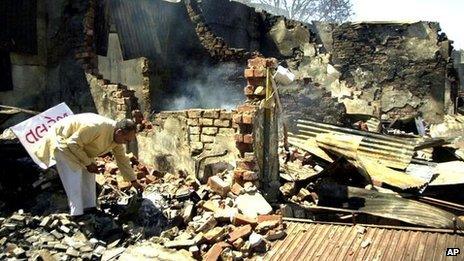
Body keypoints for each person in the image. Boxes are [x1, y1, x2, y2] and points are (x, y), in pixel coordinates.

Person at [35, 113, 143, 217]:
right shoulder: (97, 127)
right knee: (74, 175)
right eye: (126, 140)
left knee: (89, 175)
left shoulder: (117, 138)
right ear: (119, 132)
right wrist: (88, 164)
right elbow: (72, 143)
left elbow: (122, 159)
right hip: (63, 143)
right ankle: (76, 214)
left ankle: (90, 208)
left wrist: (133, 181)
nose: (125, 143)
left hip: (80, 147)